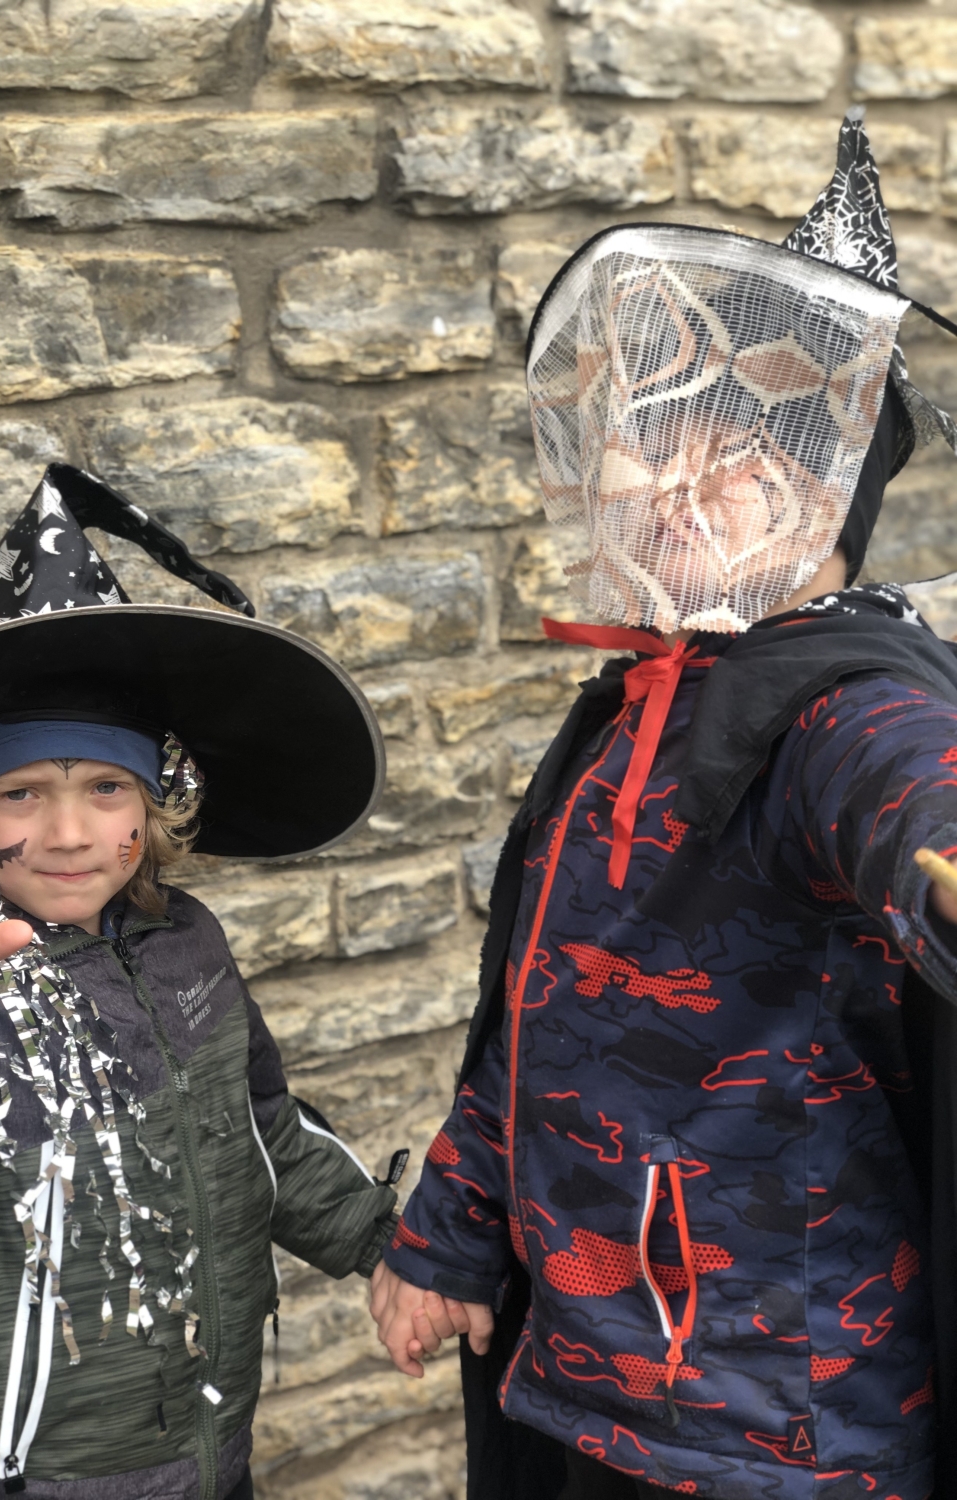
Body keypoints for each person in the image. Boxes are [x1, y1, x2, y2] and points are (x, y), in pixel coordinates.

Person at [370, 113, 957, 1500]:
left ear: (816, 494)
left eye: (737, 454)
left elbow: (913, 799)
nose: (658, 481)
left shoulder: (840, 709)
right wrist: (449, 1232)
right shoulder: (646, 701)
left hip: (781, 1431)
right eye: (650, 437)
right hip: (590, 1387)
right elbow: (546, 1011)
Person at [0, 464, 399, 1500]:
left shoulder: (189, 943)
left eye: (104, 787)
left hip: (213, 1447)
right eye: (18, 793)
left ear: (154, 801)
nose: (68, 833)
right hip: (28, 1476)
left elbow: (264, 1132)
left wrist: (393, 1249)